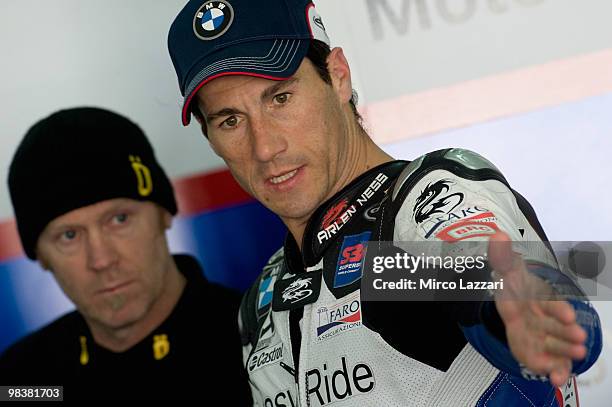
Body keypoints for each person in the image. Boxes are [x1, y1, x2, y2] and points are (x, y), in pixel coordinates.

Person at [167, 1, 602, 405]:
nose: (264, 147)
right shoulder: (261, 298)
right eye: (230, 120)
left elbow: (470, 271)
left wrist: (529, 308)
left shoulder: (414, 210)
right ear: (210, 137)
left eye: (281, 98)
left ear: (337, 76)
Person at [0, 107, 252, 404]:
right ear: (40, 256)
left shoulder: (258, 347)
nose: (102, 260)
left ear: (164, 214)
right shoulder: (19, 381)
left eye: (119, 219)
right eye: (69, 235)